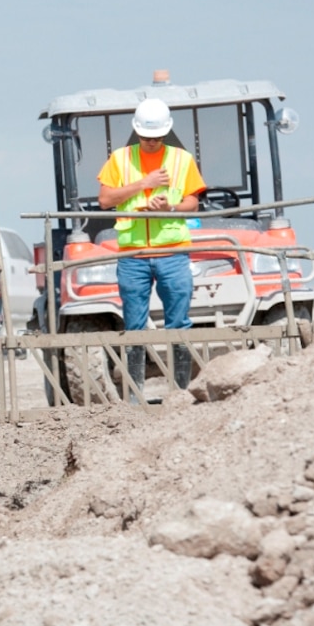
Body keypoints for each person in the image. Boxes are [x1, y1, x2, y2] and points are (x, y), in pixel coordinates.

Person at [97, 97, 206, 399]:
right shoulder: (120, 159)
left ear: (166, 132)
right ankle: (135, 399)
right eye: (146, 137)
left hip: (173, 252)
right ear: (137, 132)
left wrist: (170, 206)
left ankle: (180, 394)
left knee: (179, 324)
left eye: (156, 138)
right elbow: (105, 200)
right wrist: (143, 184)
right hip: (133, 256)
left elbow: (193, 203)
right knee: (134, 327)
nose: (151, 142)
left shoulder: (182, 160)